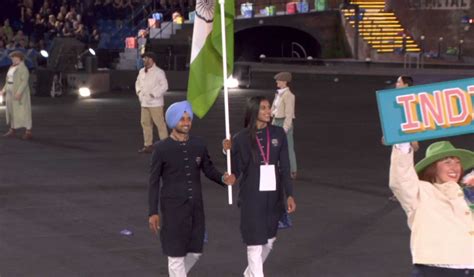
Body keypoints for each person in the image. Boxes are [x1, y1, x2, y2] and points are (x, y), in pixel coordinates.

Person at [148, 101, 236, 277]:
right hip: (172, 210)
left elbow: (208, 169)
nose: (187, 122)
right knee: (175, 254)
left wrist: (223, 178)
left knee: (196, 251)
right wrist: (153, 212)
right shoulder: (161, 148)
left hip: (196, 208)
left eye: (189, 119)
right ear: (173, 121)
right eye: (182, 119)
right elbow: (154, 182)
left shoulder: (199, 144)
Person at [228, 96, 296, 277]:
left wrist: (289, 194)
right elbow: (236, 170)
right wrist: (228, 150)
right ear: (254, 111)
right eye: (264, 108)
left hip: (274, 197)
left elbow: (286, 167)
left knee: (269, 241)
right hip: (251, 197)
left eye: (269, 108)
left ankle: (250, 273)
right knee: (255, 244)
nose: (269, 112)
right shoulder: (241, 138)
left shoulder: (278, 134)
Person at [389, 141, 474, 276]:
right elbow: (401, 180)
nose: (454, 167)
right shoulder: (420, 192)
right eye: (447, 162)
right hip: (436, 271)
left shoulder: (467, 196)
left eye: (457, 162)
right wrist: (402, 143)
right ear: (433, 167)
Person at [135, 52, 169, 153]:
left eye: (146, 58)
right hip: (144, 102)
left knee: (160, 124)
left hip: (155, 103)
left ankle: (165, 146)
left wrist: (153, 94)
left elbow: (164, 86)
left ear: (152, 60)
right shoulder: (141, 71)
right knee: (145, 123)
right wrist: (139, 93)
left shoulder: (159, 72)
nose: (144, 60)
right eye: (144, 58)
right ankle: (148, 145)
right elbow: (137, 83)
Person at [0, 51, 33, 140]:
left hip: (19, 92)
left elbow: (24, 82)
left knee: (24, 111)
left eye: (15, 58)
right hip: (10, 90)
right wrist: (3, 90)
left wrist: (19, 92)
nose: (13, 60)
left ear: (20, 58)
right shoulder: (11, 67)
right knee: (11, 110)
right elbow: (8, 81)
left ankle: (28, 131)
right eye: (12, 58)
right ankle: (12, 129)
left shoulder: (23, 68)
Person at [271, 72, 297, 179]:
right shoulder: (278, 94)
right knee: (275, 146)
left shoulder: (289, 96)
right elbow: (274, 108)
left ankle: (292, 170)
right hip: (276, 121)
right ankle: (278, 168)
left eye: (278, 80)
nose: (276, 81)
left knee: (288, 147)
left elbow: (289, 114)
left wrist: (285, 128)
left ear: (284, 82)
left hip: (284, 122)